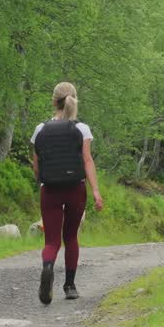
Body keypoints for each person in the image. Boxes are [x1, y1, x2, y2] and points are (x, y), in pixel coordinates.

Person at [31, 82, 104, 305]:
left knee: (51, 241)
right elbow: (87, 160)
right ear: (74, 100)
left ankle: (48, 267)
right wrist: (95, 191)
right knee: (70, 236)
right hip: (75, 189)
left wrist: (41, 183)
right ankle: (70, 286)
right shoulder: (82, 129)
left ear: (54, 101)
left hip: (50, 189)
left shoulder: (40, 129)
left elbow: (36, 165)